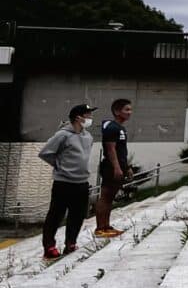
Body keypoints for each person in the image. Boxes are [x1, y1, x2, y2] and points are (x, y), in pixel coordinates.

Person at [37, 105, 95, 259]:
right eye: (87, 115)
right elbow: (45, 153)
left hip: (82, 182)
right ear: (78, 117)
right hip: (63, 182)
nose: (90, 118)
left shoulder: (88, 136)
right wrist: (60, 166)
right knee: (56, 215)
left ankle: (71, 243)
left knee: (78, 215)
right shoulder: (63, 135)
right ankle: (49, 247)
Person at [94, 98, 133, 237]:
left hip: (119, 166)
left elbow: (122, 151)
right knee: (105, 196)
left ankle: (107, 226)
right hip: (111, 167)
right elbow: (111, 150)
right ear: (117, 111)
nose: (130, 112)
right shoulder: (112, 128)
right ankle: (100, 228)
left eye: (130, 109)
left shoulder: (120, 128)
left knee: (110, 198)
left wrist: (126, 166)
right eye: (126, 110)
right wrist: (117, 167)